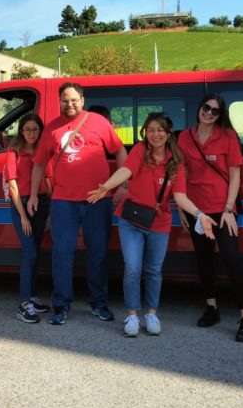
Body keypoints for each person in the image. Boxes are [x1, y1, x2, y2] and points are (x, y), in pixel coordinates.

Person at [87, 113, 214, 337]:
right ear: (145, 132)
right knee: (133, 268)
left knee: (154, 270)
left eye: (160, 130)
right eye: (151, 130)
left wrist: (199, 213)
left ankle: (152, 313)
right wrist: (106, 187)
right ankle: (133, 315)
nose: (155, 134)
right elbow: (126, 170)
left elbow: (181, 196)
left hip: (159, 221)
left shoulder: (175, 161)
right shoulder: (139, 151)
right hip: (131, 220)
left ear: (168, 134)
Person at [28, 82, 127, 325]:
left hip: (98, 199)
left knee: (98, 253)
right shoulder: (52, 129)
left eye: (73, 100)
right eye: (64, 100)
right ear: (59, 101)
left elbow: (121, 151)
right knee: (62, 255)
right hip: (64, 201)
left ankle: (99, 302)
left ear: (82, 100)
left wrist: (123, 185)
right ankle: (61, 305)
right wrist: (32, 194)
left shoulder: (98, 122)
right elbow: (39, 164)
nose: (69, 104)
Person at [177, 93, 243, 342]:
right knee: (204, 259)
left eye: (215, 111)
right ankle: (211, 308)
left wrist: (229, 209)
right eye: (206, 107)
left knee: (232, 259)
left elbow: (235, 175)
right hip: (196, 210)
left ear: (221, 116)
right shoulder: (184, 136)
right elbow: (181, 172)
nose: (208, 113)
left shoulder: (227, 136)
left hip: (222, 211)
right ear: (199, 108)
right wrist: (182, 207)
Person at [5, 113, 52, 323]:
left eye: (35, 129)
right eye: (27, 129)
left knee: (36, 254)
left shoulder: (43, 151)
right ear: (21, 131)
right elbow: (13, 186)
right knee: (30, 253)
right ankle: (24, 304)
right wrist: (23, 216)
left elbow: (48, 180)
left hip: (41, 204)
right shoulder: (14, 152)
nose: (31, 133)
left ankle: (31, 297)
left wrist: (49, 210)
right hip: (21, 205)